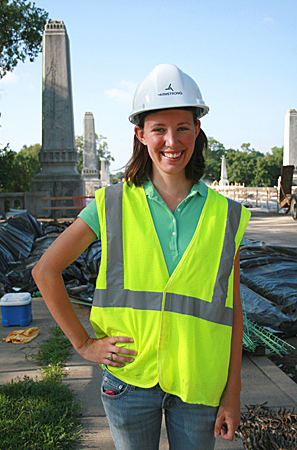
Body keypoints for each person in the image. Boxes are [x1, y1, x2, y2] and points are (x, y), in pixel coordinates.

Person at [32, 63, 251, 450]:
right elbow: (46, 270)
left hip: (199, 382)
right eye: (159, 129)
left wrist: (232, 393)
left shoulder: (226, 215)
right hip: (129, 380)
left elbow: (232, 308)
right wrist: (83, 345)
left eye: (183, 127)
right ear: (140, 134)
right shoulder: (111, 203)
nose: (172, 141)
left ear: (197, 130)